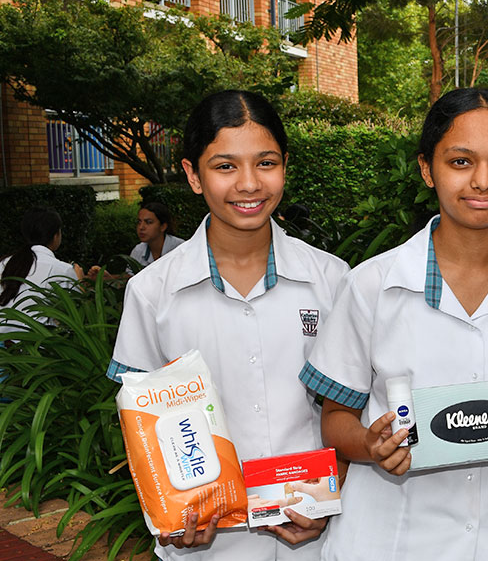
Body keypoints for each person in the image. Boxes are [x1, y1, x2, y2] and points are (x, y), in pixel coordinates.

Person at [300, 88, 488, 561]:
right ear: (427, 169)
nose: (483, 182)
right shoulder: (372, 286)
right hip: (388, 538)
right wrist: (369, 443)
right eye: (461, 162)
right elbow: (334, 420)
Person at [107, 90, 350, 560]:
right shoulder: (153, 291)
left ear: (285, 166)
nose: (248, 183)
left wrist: (334, 486)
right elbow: (143, 427)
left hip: (316, 532)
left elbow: (352, 406)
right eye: (224, 167)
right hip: (207, 542)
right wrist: (173, 513)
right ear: (192, 176)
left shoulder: (333, 279)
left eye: (266, 162)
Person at [0, 207, 81, 318]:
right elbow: (76, 315)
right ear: (56, 236)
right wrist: (80, 283)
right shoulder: (62, 270)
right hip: (40, 334)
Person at [129, 201, 184, 271]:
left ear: (163, 226)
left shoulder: (180, 248)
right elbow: (130, 277)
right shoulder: (138, 251)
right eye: (139, 222)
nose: (141, 227)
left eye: (148, 222)